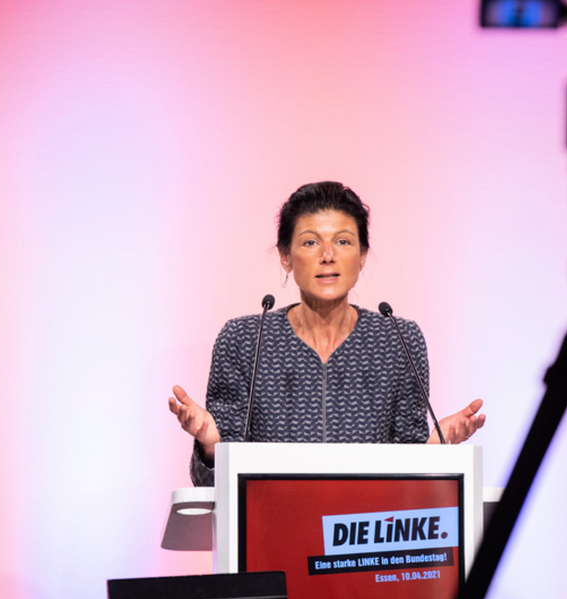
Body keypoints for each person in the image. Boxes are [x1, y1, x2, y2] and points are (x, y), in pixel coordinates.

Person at [170, 181, 486, 486]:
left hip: (365, 532)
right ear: (285, 255)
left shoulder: (397, 340)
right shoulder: (245, 339)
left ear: (362, 255)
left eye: (343, 241)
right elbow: (215, 483)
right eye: (310, 242)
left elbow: (407, 471)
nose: (327, 255)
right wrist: (211, 445)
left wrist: (434, 449)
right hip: (271, 529)